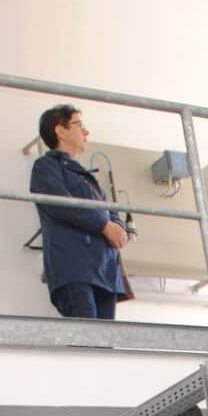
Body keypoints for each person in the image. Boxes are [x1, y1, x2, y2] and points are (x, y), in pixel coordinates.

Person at [30, 105, 130, 320]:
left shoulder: (88, 179)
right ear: (60, 130)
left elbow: (110, 210)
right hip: (74, 267)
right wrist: (105, 226)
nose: (86, 132)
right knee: (87, 335)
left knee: (105, 339)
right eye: (79, 125)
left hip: (104, 271)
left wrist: (119, 228)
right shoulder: (46, 166)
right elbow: (60, 204)